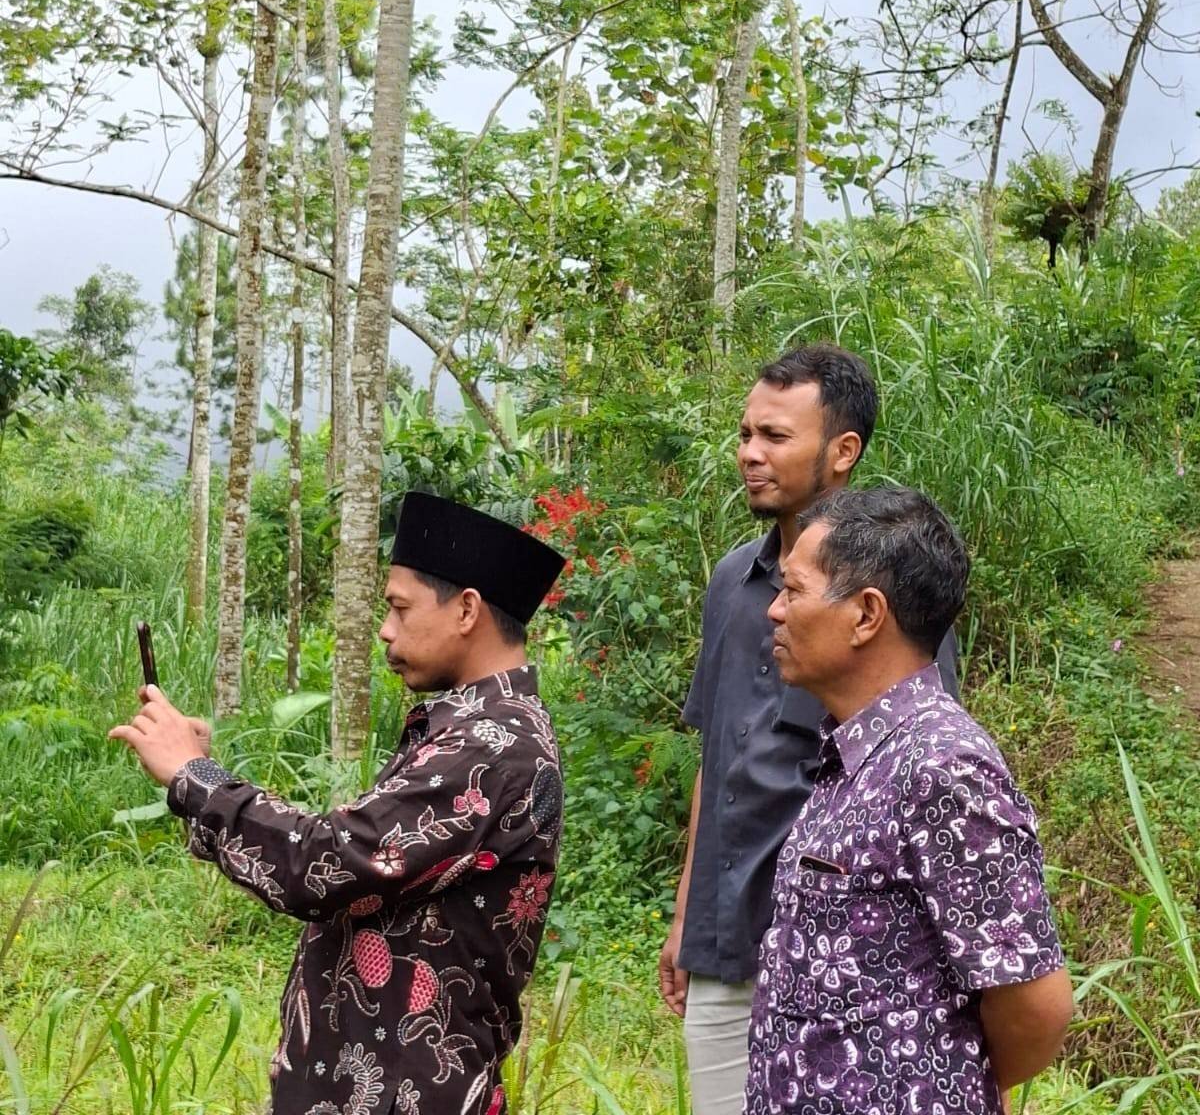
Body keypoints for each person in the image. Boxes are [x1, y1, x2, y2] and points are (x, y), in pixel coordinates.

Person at [110, 491, 566, 1115]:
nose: (386, 629)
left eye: (400, 608)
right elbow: (357, 864)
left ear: (466, 610)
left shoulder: (494, 745)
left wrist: (197, 777)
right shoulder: (474, 730)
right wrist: (200, 776)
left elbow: (325, 864)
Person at [658, 344, 958, 1115]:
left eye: (775, 436)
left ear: (842, 451)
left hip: (839, 956)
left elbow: (917, 770)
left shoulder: (888, 600)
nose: (749, 454)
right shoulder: (732, 583)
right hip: (724, 942)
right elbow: (717, 756)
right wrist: (688, 914)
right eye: (745, 434)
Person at [746, 485, 1073, 1114]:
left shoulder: (941, 767)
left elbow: (1036, 1004)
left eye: (793, 591)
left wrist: (943, 1083)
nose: (774, 611)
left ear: (866, 615)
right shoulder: (857, 754)